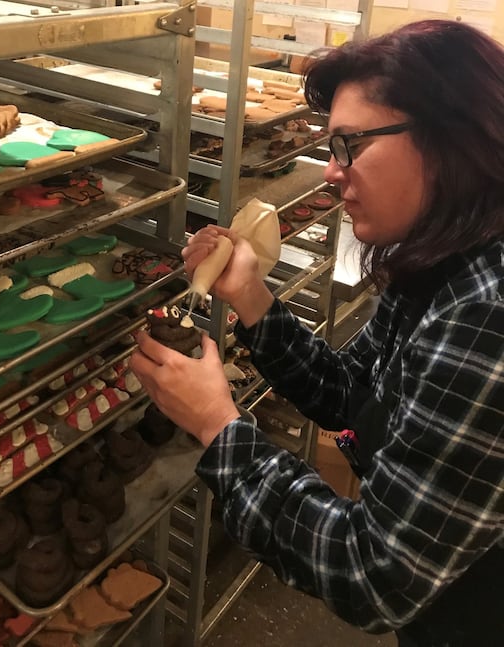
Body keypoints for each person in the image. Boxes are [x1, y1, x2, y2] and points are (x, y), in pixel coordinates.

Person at [130, 19, 504, 647]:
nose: (332, 173)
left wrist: (220, 426)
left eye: (349, 145)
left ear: (448, 141)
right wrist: (251, 298)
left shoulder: (487, 313)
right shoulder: (439, 260)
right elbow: (349, 392)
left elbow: (375, 574)